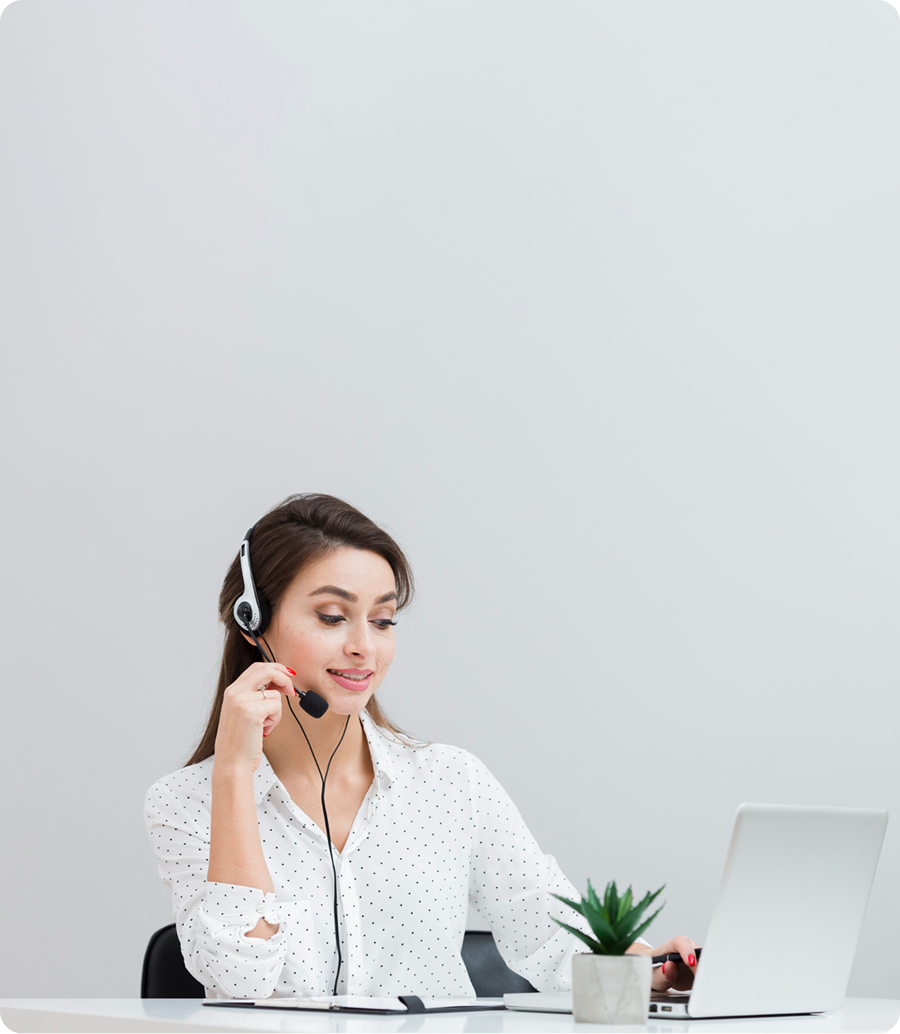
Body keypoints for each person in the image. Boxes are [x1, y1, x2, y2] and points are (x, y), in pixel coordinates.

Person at [145, 493, 699, 1000]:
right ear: (253, 621)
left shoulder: (450, 781)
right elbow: (238, 981)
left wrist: (647, 968)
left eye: (383, 620)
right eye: (332, 617)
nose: (364, 646)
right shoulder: (185, 802)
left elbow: (549, 931)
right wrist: (235, 777)